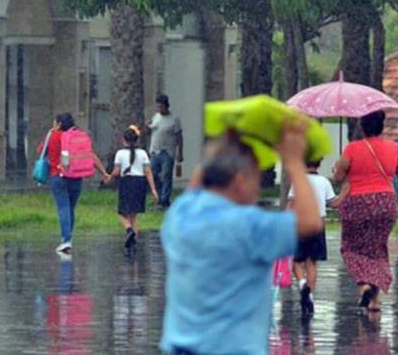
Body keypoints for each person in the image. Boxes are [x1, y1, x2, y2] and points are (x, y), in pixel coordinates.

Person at [159, 124, 323, 355]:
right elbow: (310, 221)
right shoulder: (250, 225)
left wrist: (225, 146)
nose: (257, 190)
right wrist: (295, 162)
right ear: (239, 181)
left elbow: (199, 179)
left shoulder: (180, 214)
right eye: (255, 180)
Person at [332, 111, 398, 312]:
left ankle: (364, 286)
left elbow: (338, 178)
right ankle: (374, 301)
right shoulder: (394, 148)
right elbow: (396, 171)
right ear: (382, 126)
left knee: (352, 248)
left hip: (357, 202)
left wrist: (338, 169)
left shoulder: (352, 148)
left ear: (362, 127)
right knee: (378, 248)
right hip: (386, 202)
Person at [38, 113, 108, 254]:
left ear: (58, 124)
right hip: (76, 176)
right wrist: (104, 172)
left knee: (63, 207)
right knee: (70, 208)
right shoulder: (79, 135)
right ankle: (68, 239)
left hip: (58, 176)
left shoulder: (53, 136)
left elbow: (40, 152)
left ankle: (66, 240)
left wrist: (50, 135)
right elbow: (91, 155)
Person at [287, 159, 345, 317]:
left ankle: (301, 283)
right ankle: (310, 296)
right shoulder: (324, 181)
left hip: (300, 223)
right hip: (317, 223)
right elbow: (333, 203)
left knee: (295, 261)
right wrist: (346, 191)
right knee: (311, 262)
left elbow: (291, 204)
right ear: (319, 164)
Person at [106, 125, 159, 249]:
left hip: (126, 182)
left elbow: (117, 171)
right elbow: (148, 172)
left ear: (123, 140)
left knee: (122, 212)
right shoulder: (143, 153)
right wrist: (153, 189)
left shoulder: (120, 153)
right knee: (134, 215)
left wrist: (109, 178)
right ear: (136, 140)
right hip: (139, 183)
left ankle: (129, 229)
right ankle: (133, 239)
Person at [147, 94, 183, 209]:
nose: (159, 109)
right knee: (153, 174)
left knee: (166, 176)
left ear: (166, 106)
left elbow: (179, 136)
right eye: (157, 107)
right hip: (154, 151)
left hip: (167, 152)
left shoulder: (174, 119)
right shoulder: (156, 117)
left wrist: (180, 152)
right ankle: (157, 197)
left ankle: (164, 200)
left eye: (161, 107)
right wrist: (147, 126)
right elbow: (150, 131)